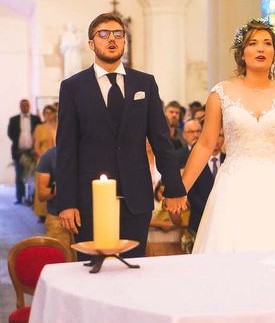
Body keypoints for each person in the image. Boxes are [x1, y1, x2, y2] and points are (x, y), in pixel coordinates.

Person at [181, 18, 275, 253]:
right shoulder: (221, 93)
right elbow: (206, 144)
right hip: (235, 185)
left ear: (274, 53)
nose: (261, 48)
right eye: (253, 43)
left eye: (267, 43)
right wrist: (180, 188)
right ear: (242, 53)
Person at [56, 13, 186, 258]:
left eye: (118, 34)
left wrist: (174, 187)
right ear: (91, 43)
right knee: (93, 270)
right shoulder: (73, 87)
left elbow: (161, 141)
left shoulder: (144, 84)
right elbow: (66, 149)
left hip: (135, 198)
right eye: (103, 34)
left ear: (124, 41)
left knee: (132, 271)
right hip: (88, 201)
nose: (112, 39)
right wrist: (66, 202)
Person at [36, 146, 74, 251]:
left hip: (84, 218)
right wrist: (62, 185)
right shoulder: (49, 156)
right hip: (57, 219)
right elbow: (42, 194)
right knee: (59, 259)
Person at [187, 130, 225, 234]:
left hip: (224, 219)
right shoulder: (196, 161)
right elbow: (192, 193)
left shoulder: (228, 160)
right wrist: (210, 211)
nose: (217, 139)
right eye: (215, 135)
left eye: (220, 135)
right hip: (199, 219)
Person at [7, 99, 40, 204]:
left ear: (29, 106)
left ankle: (32, 197)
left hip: (32, 151)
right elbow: (10, 134)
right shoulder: (14, 120)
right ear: (20, 107)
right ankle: (19, 197)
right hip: (19, 151)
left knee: (32, 174)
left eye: (26, 105)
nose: (24, 107)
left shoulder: (36, 119)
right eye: (22, 105)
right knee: (19, 174)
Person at [33, 104, 58, 221]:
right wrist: (42, 156)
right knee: (43, 185)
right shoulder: (40, 128)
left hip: (57, 157)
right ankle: (42, 213)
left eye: (50, 112)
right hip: (44, 157)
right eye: (46, 113)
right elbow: (36, 145)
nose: (48, 115)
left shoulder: (58, 126)